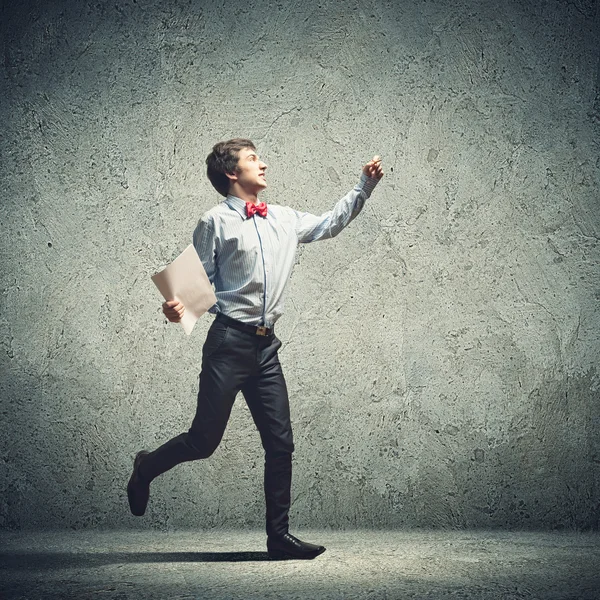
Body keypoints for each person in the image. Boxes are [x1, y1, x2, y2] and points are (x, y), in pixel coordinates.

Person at [127, 138, 383, 559]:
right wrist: (174, 309)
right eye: (252, 159)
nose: (262, 163)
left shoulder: (284, 218)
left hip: (266, 350)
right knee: (203, 442)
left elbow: (329, 223)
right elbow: (193, 288)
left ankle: (278, 538)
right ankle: (146, 468)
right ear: (232, 173)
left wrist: (364, 186)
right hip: (228, 343)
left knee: (281, 443)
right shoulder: (213, 221)